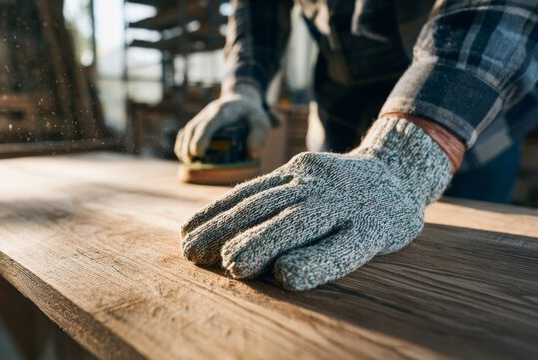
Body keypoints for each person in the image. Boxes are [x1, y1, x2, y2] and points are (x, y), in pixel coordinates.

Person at [175, 0, 538, 291]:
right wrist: (244, 86)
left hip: (466, 107)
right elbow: (258, 8)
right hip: (342, 110)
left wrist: (404, 155)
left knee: (473, 271)